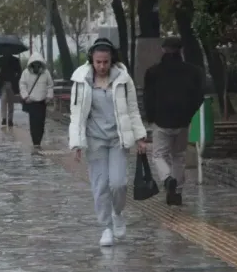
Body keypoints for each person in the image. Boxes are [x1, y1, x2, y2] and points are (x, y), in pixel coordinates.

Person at [68, 38, 148, 247]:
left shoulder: (123, 79)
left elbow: (132, 109)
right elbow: (76, 114)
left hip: (117, 139)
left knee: (118, 183)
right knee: (101, 185)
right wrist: (76, 143)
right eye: (98, 62)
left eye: (105, 62)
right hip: (95, 140)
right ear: (91, 60)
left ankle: (117, 213)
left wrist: (140, 137)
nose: (102, 66)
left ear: (112, 60)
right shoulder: (81, 80)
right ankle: (106, 227)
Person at [143, 36, 205, 206]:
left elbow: (148, 97)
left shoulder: (153, 72)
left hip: (161, 120)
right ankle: (176, 192)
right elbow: (199, 96)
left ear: (163, 50)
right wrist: (189, 114)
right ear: (181, 50)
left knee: (159, 155)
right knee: (179, 156)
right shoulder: (193, 71)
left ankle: (167, 178)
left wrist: (151, 117)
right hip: (182, 121)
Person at [18, 52, 54, 150]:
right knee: (33, 122)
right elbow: (22, 85)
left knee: (41, 122)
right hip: (32, 102)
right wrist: (26, 96)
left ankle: (39, 139)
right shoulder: (25, 73)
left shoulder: (46, 73)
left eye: (38, 63)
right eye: (35, 63)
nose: (37, 65)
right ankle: (35, 142)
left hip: (42, 102)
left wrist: (49, 97)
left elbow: (50, 85)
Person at [0, 53, 22, 127]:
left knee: (11, 102)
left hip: (12, 83)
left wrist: (16, 78)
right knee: (3, 100)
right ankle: (4, 118)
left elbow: (19, 72)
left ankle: (10, 119)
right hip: (3, 83)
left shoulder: (15, 60)